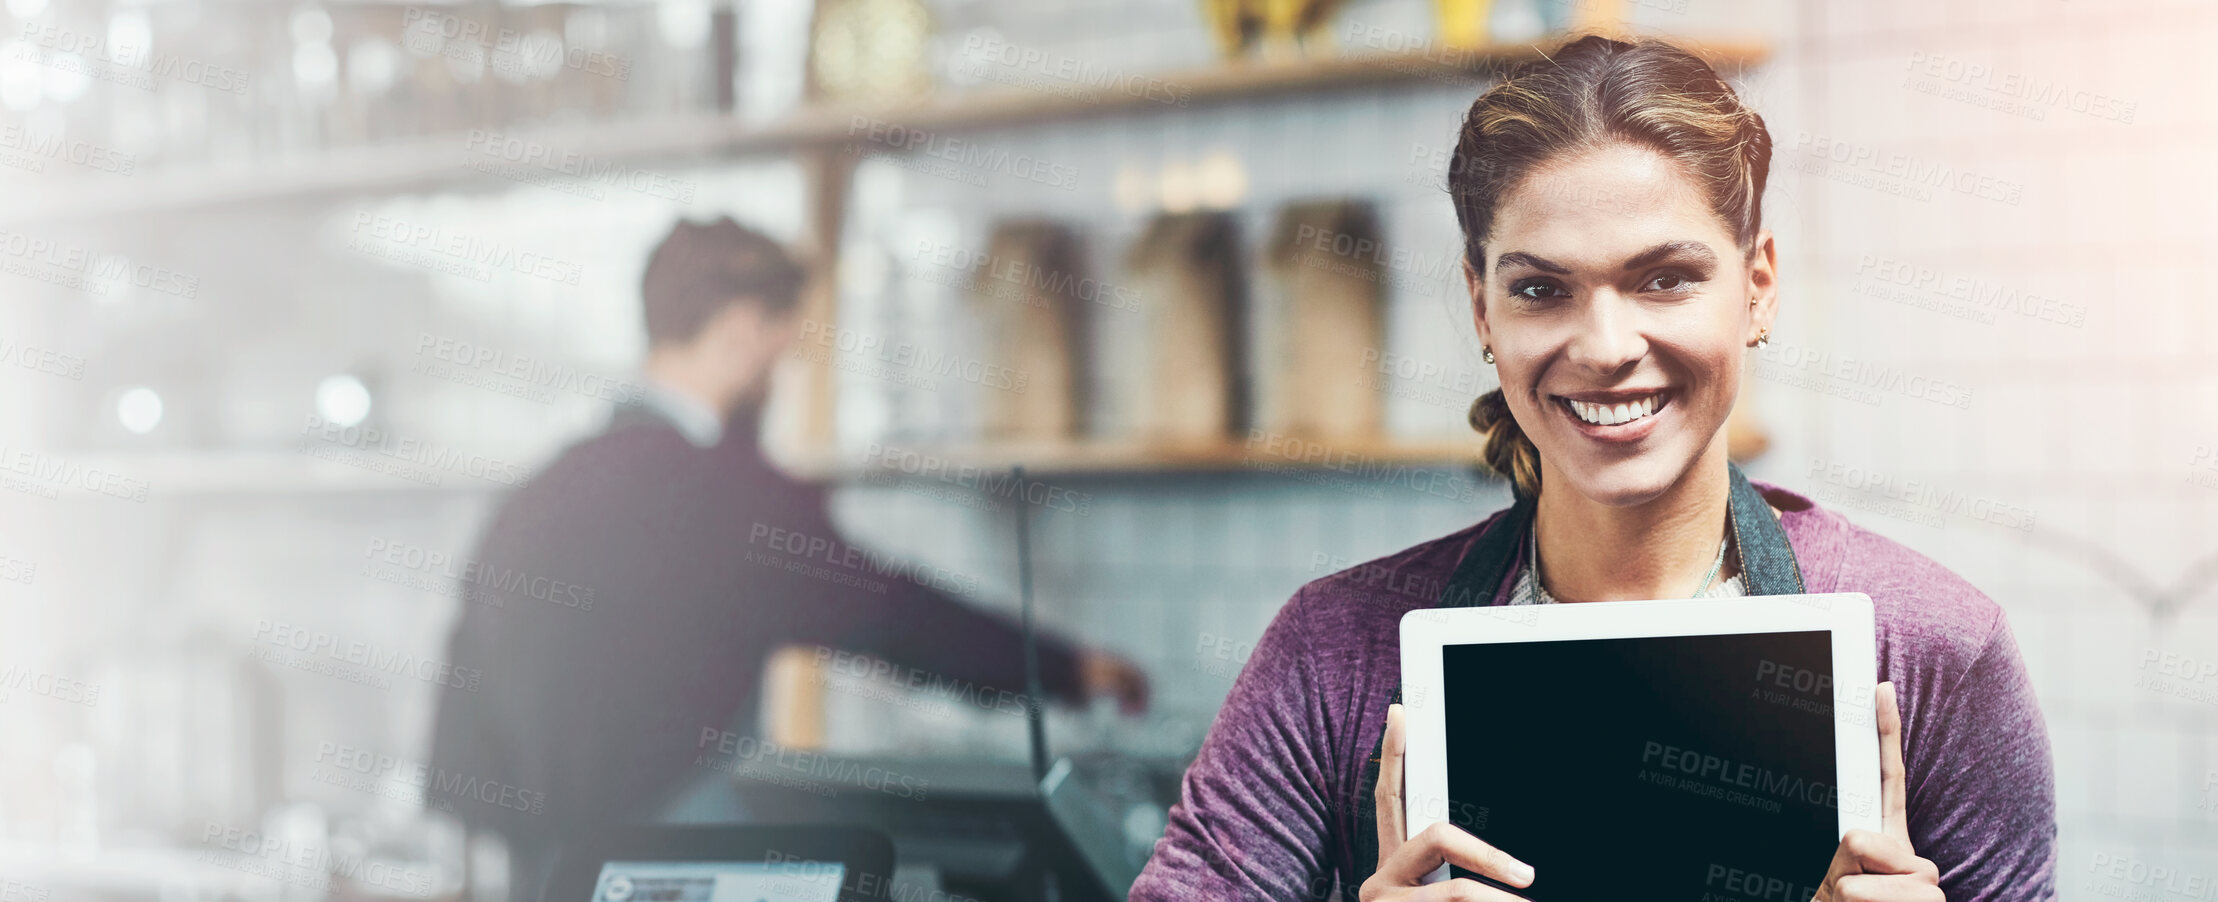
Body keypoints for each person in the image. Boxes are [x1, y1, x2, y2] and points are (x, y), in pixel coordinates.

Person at [1129, 35, 2053, 902]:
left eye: (1665, 279)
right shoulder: (1333, 654)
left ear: (1757, 287)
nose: (1607, 347)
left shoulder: (1935, 648)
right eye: (1541, 289)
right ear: (1483, 311)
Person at [426, 217, 1149, 894]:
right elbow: (892, 614)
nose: (780, 379)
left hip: (544, 870)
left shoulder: (536, 492)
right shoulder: (725, 494)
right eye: (784, 354)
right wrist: (1063, 669)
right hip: (679, 858)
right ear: (741, 334)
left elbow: (462, 694)